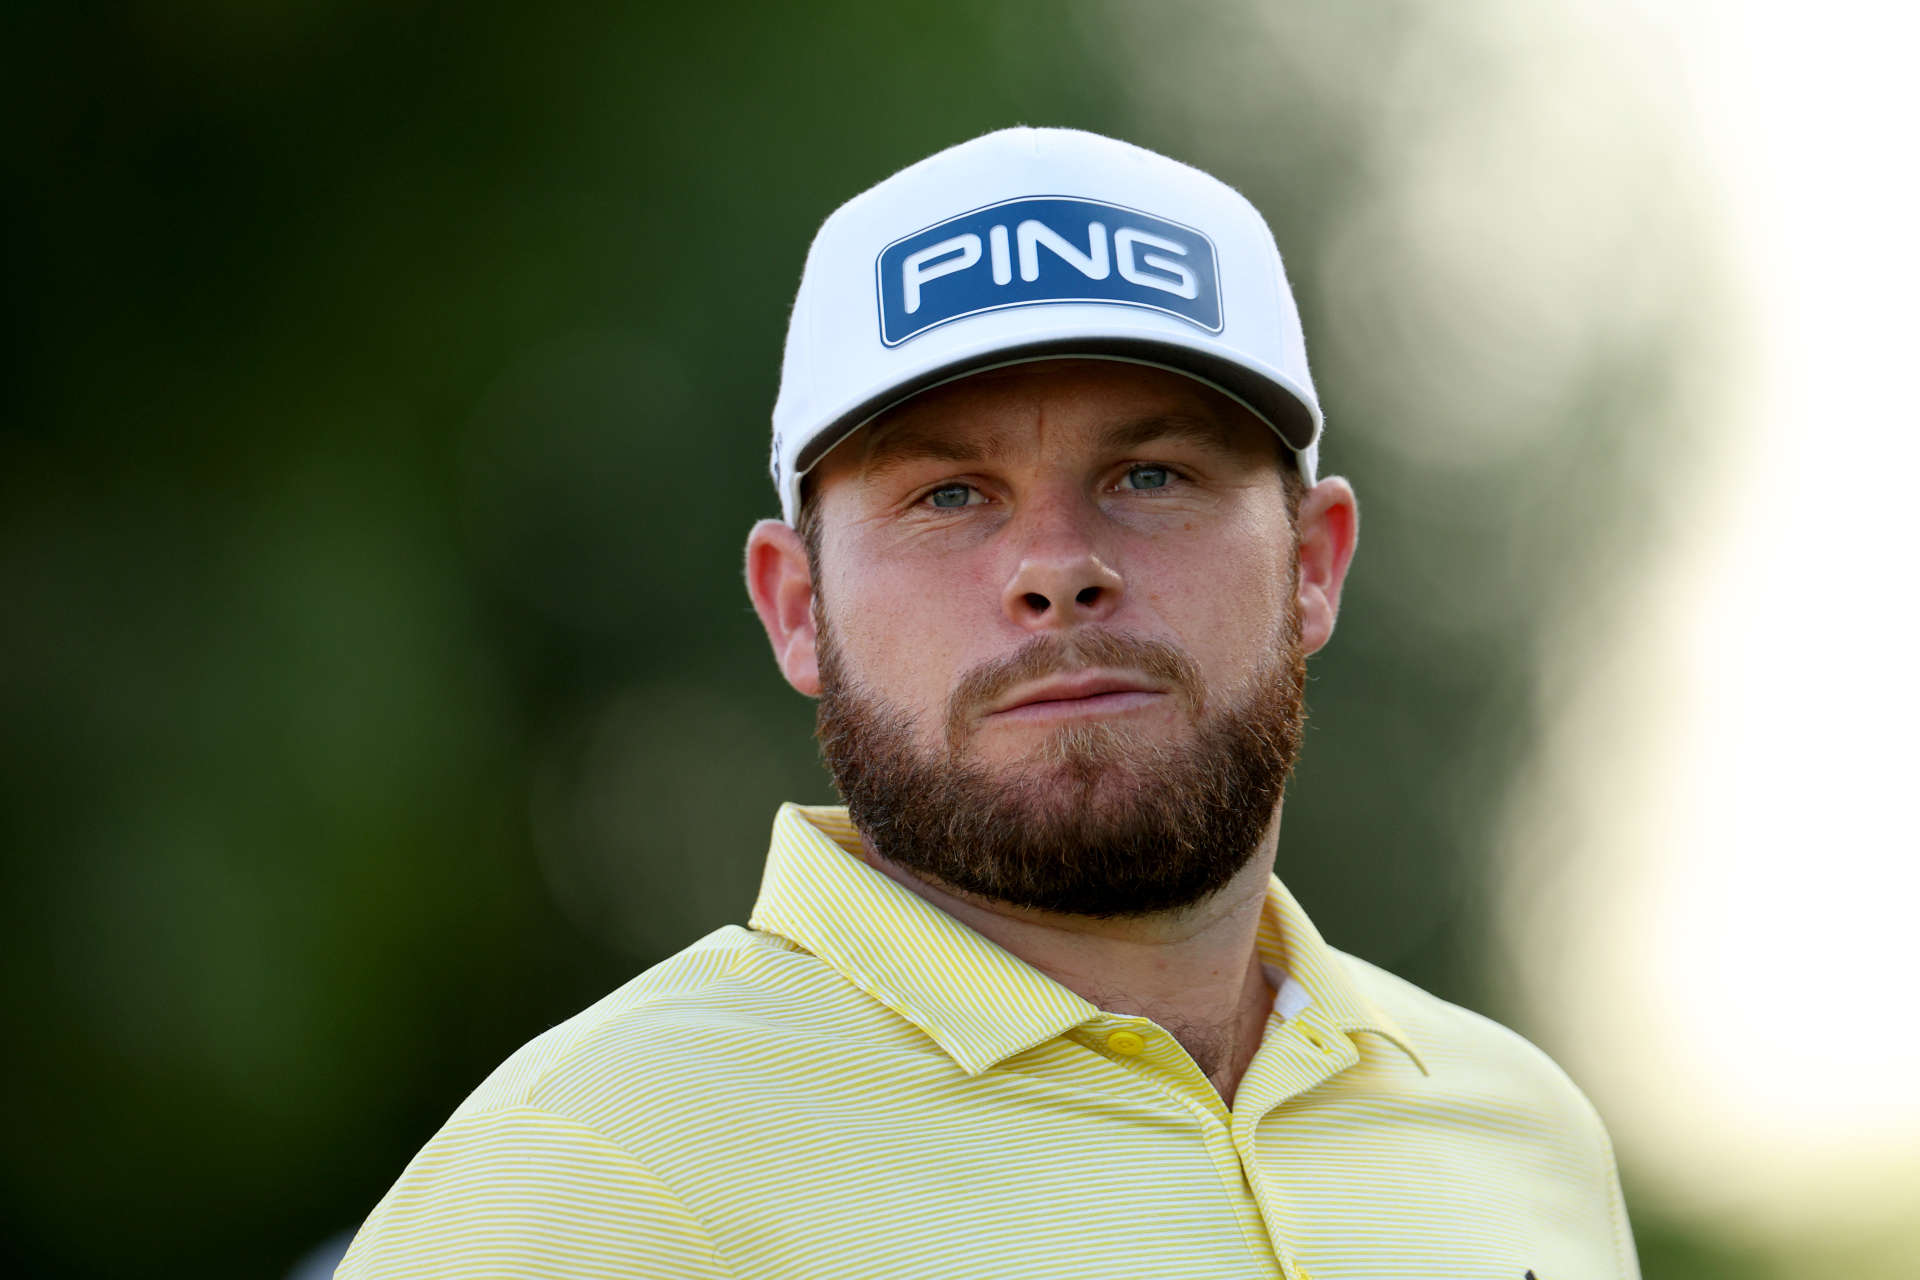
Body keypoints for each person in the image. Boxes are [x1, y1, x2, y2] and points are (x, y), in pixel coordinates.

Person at [337, 127, 1639, 1279]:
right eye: (948, 494)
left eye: (1153, 474)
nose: (1059, 568)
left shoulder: (1524, 1134)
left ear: (1314, 564)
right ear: (797, 606)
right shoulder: (584, 1179)